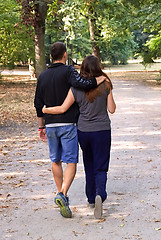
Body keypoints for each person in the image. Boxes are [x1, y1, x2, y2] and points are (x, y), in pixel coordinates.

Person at [34, 42, 106, 218]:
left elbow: (38, 103)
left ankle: (63, 195)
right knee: (71, 161)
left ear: (51, 56)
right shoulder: (68, 71)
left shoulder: (42, 76)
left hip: (50, 124)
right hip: (67, 124)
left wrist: (41, 125)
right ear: (64, 55)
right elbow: (83, 83)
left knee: (55, 160)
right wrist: (100, 79)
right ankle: (62, 193)